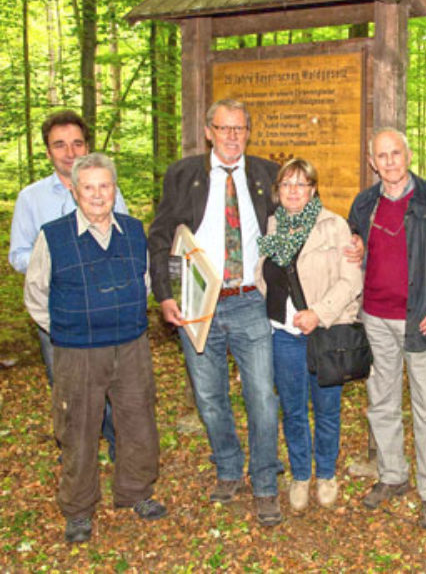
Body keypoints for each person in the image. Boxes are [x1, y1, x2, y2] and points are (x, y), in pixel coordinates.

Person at [148, 98, 283, 526]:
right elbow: (160, 234)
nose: (232, 137)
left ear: (248, 132)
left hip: (250, 299)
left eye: (239, 129)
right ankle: (228, 467)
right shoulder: (183, 174)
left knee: (261, 395)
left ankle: (264, 481)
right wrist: (165, 294)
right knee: (209, 397)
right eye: (223, 128)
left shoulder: (265, 173)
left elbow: (299, 217)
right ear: (208, 131)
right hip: (196, 301)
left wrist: (346, 239)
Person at [23, 153, 166, 543]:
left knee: (137, 420)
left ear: (114, 189)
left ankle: (135, 491)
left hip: (131, 344)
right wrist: (69, 330)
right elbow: (36, 294)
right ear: (74, 190)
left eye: (105, 186)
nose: (98, 195)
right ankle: (79, 507)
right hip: (77, 351)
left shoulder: (135, 231)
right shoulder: (53, 236)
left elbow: (148, 282)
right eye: (89, 187)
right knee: (78, 427)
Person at [348, 127, 426, 531]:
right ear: (372, 162)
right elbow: (353, 256)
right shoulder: (364, 203)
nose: (389, 162)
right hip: (374, 319)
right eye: (381, 156)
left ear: (408, 154)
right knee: (381, 402)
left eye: (395, 153)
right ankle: (392, 474)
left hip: (421, 319)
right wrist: (353, 253)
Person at [9, 109, 125, 459]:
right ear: (48, 151)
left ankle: (119, 444)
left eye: (76, 143)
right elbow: (18, 255)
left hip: (107, 310)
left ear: (86, 145)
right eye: (60, 145)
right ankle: (77, 448)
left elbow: (125, 244)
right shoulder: (31, 198)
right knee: (67, 385)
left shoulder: (108, 191)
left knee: (112, 383)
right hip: (58, 313)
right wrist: (59, 265)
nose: (69, 151)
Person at [257, 158, 362, 513]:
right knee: (294, 409)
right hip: (284, 334)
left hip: (325, 334)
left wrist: (319, 312)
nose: (293, 191)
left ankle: (327, 473)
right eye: (286, 184)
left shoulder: (335, 226)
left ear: (313, 189)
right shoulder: (273, 226)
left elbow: (351, 280)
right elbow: (264, 275)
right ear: (278, 190)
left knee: (327, 409)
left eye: (301, 184)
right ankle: (301, 475)